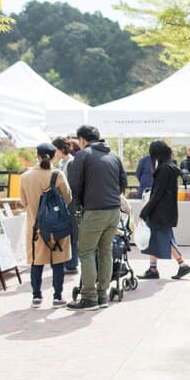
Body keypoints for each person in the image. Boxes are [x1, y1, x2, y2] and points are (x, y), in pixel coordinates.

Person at [67, 124, 127, 311]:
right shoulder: (114, 155)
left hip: (94, 210)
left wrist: (78, 206)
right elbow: (123, 183)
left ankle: (89, 297)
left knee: (86, 252)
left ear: (82, 139)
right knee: (105, 251)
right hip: (114, 210)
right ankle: (102, 295)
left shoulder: (83, 155)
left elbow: (74, 185)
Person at [19, 143, 72, 308]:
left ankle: (36, 296)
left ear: (37, 155)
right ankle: (57, 297)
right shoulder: (58, 175)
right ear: (54, 156)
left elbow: (23, 202)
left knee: (37, 261)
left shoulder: (26, 177)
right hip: (57, 226)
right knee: (58, 261)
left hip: (36, 227)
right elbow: (68, 198)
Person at [138, 140, 190, 280]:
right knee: (157, 238)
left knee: (165, 239)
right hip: (166, 211)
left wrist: (144, 212)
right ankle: (153, 268)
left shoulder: (163, 169)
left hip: (159, 212)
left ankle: (182, 264)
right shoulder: (170, 166)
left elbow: (157, 194)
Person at [52, 137, 79, 274]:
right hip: (64, 202)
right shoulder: (63, 162)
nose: (54, 152)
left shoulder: (71, 162)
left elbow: (71, 185)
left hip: (70, 203)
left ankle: (72, 263)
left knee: (71, 232)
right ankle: (69, 262)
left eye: (55, 149)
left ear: (61, 149)